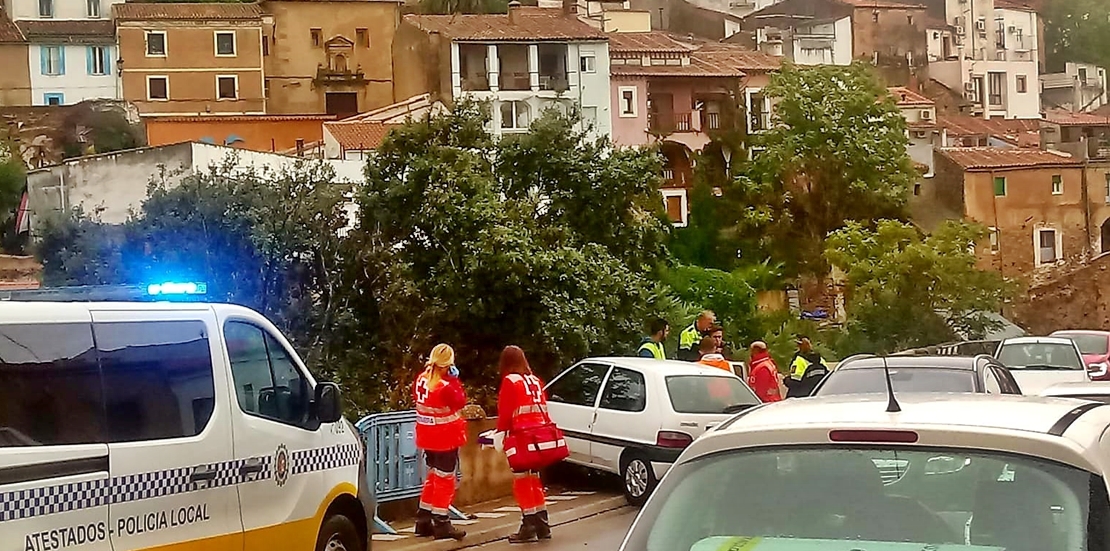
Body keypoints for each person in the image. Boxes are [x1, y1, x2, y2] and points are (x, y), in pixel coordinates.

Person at [495, 346, 552, 543]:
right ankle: (542, 524)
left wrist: (499, 435)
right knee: (534, 479)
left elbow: (505, 414)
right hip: (539, 438)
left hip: (520, 438)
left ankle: (528, 525)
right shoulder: (535, 381)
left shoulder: (510, 382)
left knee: (522, 481)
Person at [413, 344, 468, 540]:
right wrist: (454, 380)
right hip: (445, 436)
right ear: (449, 364)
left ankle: (423, 519)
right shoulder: (445, 386)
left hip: (427, 436)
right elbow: (460, 401)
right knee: (445, 480)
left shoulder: (422, 379)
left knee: (434, 476)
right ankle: (441, 521)